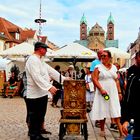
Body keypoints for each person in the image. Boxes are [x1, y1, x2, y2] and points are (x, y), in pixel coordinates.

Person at [25, 41, 69, 140]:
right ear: (40, 49)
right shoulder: (32, 60)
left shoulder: (40, 60)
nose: (46, 51)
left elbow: (51, 72)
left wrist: (64, 80)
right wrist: (49, 87)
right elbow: (36, 77)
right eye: (45, 49)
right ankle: (33, 135)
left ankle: (38, 134)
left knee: (40, 115)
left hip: (42, 93)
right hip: (34, 94)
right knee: (34, 116)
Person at [90, 50, 124, 138]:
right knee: (102, 108)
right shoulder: (98, 67)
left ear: (109, 57)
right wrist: (101, 89)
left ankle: (121, 132)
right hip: (102, 90)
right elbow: (94, 79)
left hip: (113, 91)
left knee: (115, 108)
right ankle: (102, 129)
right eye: (101, 56)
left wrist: (119, 92)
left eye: (105, 56)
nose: (103, 57)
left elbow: (116, 80)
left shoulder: (114, 68)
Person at [121, 51, 140, 139]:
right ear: (136, 59)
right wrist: (125, 119)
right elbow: (128, 99)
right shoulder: (133, 75)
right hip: (135, 117)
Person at [90, 49, 103, 127]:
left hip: (105, 85)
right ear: (98, 55)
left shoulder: (104, 62)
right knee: (98, 102)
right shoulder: (95, 62)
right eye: (101, 54)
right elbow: (92, 75)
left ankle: (103, 118)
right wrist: (95, 85)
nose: (102, 56)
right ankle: (98, 119)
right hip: (97, 85)